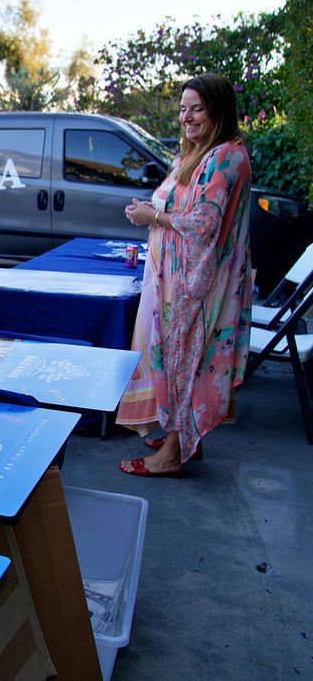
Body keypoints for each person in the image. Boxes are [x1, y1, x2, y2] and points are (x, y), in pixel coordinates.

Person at [117, 73, 253, 477]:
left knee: (185, 361)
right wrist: (155, 210)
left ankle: (172, 455)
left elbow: (203, 222)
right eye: (183, 108)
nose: (186, 117)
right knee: (177, 359)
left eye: (197, 108)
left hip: (197, 284)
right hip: (179, 278)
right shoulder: (201, 151)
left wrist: (152, 216)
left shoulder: (225, 155)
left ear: (218, 110)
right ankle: (181, 434)